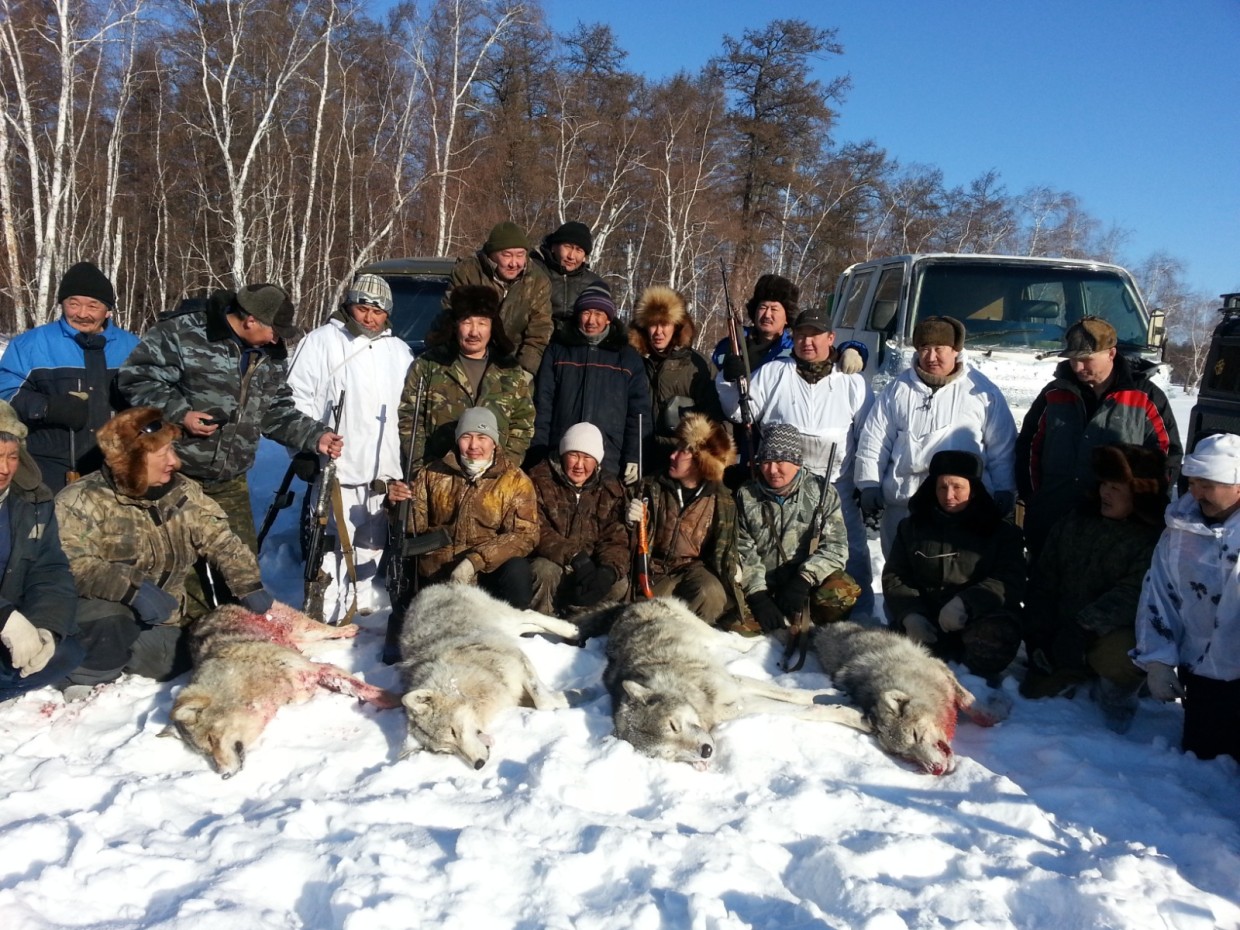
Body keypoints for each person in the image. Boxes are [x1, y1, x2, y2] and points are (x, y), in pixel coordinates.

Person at [55, 407, 273, 689]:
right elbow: (72, 566)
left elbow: (220, 540)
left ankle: (119, 656)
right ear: (132, 460)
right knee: (107, 618)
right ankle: (84, 678)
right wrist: (132, 589)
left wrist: (249, 585)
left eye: (172, 450)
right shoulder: (79, 501)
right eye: (163, 454)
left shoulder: (183, 492)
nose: (175, 462)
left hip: (162, 619)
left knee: (180, 661)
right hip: (102, 616)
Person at [717, 306, 875, 614]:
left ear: (831, 338)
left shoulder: (851, 383)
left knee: (851, 552)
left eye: (815, 336)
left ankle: (861, 617)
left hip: (836, 487)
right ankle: (774, 606)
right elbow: (738, 411)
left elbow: (869, 436)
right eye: (801, 336)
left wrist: (866, 482)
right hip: (778, 485)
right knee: (778, 551)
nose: (807, 342)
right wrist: (729, 379)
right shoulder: (775, 372)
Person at [286, 274, 412, 622]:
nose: (370, 318)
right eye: (363, 308)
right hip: (336, 462)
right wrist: (306, 446)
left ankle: (362, 598)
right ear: (349, 305)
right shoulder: (321, 342)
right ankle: (325, 604)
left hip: (383, 465)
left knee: (372, 536)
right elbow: (295, 398)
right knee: (330, 538)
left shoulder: (399, 351)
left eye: (378, 311)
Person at [1021, 444, 1168, 731]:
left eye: (1115, 487)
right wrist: (1039, 631)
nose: (1105, 493)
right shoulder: (1075, 521)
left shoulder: (1153, 539)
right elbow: (1045, 577)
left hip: (1107, 634)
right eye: (1103, 484)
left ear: (1138, 492)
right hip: (1062, 630)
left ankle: (1117, 699)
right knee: (1033, 694)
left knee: (1124, 658)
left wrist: (1082, 629)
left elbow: (1131, 594)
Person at [1015, 317, 1181, 558]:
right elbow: (1029, 448)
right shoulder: (1054, 393)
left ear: (1111, 353)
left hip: (1118, 532)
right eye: (1072, 359)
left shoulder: (1144, 397)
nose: (1077, 367)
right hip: (1051, 521)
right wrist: (1034, 498)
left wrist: (1142, 508)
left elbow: (1166, 458)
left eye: (1086, 359)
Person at [855, 315, 1017, 556]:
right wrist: (869, 483)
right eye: (924, 349)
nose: (931, 357)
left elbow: (1001, 447)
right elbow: (874, 439)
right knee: (901, 568)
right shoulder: (897, 390)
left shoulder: (982, 392)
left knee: (955, 569)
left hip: (962, 507)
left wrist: (1005, 487)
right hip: (904, 502)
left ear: (955, 350)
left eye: (939, 349)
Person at [1132, 433, 1240, 762]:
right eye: (1192, 483)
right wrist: (1158, 660)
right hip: (1203, 676)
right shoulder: (1180, 531)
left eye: (1207, 485)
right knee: (1205, 758)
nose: (1195, 493)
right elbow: (1159, 594)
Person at [883, 450, 1025, 682]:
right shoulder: (911, 527)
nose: (949, 495)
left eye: (957, 487)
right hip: (928, 617)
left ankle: (975, 679)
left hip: (978, 616)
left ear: (973, 489)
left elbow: (1010, 578)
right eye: (942, 487)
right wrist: (910, 614)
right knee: (890, 660)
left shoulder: (1001, 532)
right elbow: (896, 575)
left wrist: (967, 603)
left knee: (995, 637)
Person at [0, 261, 139, 492]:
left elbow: (152, 397)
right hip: (48, 468)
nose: (82, 314)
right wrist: (47, 407)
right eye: (73, 304)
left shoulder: (132, 347)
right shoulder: (32, 344)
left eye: (93, 306)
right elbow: (5, 392)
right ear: (62, 304)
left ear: (108, 309)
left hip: (117, 466)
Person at [389, 407, 537, 608]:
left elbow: (525, 535)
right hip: (438, 575)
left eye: (482, 437)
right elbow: (415, 525)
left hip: (486, 577)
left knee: (517, 570)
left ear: (494, 442)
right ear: (457, 439)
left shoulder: (515, 481)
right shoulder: (432, 474)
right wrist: (397, 503)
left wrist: (475, 561)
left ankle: (513, 622)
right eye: (466, 437)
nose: (474, 445)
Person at [736, 424, 859, 636]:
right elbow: (743, 549)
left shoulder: (822, 493)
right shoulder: (746, 495)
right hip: (764, 584)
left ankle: (815, 624)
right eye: (766, 462)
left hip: (804, 585)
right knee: (736, 621)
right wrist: (758, 596)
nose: (772, 470)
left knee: (843, 592)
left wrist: (804, 580)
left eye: (779, 462)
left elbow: (836, 548)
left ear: (796, 462)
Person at [626, 413, 743, 625]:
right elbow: (626, 538)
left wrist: (733, 568)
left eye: (683, 451)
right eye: (677, 448)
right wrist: (629, 520)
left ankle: (696, 636)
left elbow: (725, 549)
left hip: (692, 569)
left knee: (712, 593)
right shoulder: (650, 486)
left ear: (701, 461)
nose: (672, 456)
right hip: (654, 569)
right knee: (645, 615)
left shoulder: (723, 502)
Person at [0, 401, 83, 699]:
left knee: (66, 653)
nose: (4, 468)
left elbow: (49, 568)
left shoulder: (34, 501)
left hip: (9, 625)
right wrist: (4, 617)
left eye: (12, 457)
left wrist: (46, 626)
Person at [401, 284, 534, 468]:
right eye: (467, 322)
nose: (474, 332)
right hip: (438, 473)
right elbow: (410, 420)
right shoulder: (428, 365)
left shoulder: (510, 370)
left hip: (493, 478)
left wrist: (504, 468)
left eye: (482, 323)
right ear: (455, 325)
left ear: (492, 327)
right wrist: (423, 469)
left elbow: (523, 424)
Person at [532, 283, 649, 484]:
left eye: (598, 313)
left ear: (609, 318)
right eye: (586, 313)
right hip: (560, 456)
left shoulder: (627, 357)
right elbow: (543, 405)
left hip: (609, 459)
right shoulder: (559, 350)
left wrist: (635, 456)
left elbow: (638, 414)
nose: (591, 320)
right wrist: (538, 450)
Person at [527, 423, 630, 615]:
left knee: (619, 584)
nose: (579, 465)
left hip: (591, 565)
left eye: (587, 457)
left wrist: (608, 571)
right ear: (563, 454)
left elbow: (616, 538)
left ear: (597, 461)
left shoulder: (611, 489)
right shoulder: (539, 479)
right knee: (543, 571)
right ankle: (539, 623)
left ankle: (587, 624)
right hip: (554, 560)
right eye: (573, 455)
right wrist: (575, 556)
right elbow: (536, 528)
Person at [628, 285, 723, 473]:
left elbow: (716, 420)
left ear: (676, 325)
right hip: (639, 458)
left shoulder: (696, 365)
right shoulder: (631, 362)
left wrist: (704, 462)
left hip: (682, 463)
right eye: (653, 324)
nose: (658, 332)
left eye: (665, 324)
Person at [442, 221, 553, 376]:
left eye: (520, 255)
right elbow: (451, 319)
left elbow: (539, 332)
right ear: (491, 254)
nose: (514, 263)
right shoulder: (467, 272)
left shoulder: (538, 281)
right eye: (507, 255)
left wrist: (522, 374)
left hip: (513, 362)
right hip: (468, 361)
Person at [530, 221, 606, 333]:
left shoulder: (594, 283)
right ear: (553, 247)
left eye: (579, 250)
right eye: (567, 247)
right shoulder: (534, 271)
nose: (571, 256)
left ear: (584, 257)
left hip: (576, 340)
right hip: (538, 336)